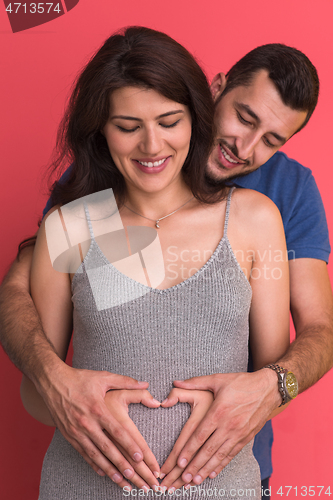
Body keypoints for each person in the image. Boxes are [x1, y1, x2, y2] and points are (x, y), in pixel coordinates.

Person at [0, 33, 331, 497]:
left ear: (187, 116)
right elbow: (24, 313)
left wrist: (272, 387)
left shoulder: (266, 210)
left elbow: (308, 338)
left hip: (225, 478)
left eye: (272, 138)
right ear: (213, 94)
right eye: (244, 117)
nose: (151, 144)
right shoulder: (78, 215)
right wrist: (59, 383)